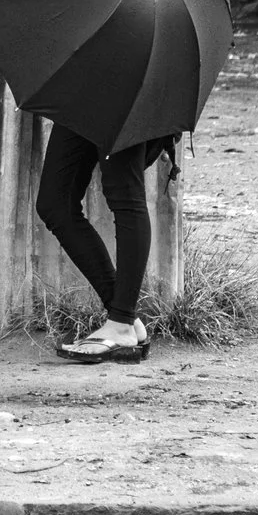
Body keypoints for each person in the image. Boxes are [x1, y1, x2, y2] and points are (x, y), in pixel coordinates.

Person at [37, 131, 169, 363]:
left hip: (126, 102)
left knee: (125, 193)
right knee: (55, 203)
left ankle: (121, 322)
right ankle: (123, 318)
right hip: (81, 98)